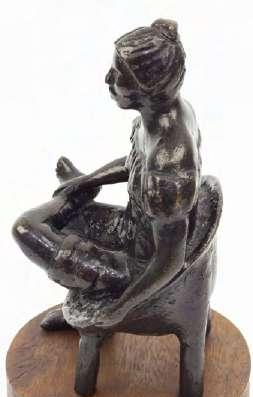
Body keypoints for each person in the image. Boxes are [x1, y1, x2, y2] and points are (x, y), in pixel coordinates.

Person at [13, 19, 201, 331]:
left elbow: (169, 263)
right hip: (130, 229)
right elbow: (135, 165)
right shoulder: (167, 115)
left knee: (26, 228)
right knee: (54, 217)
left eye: (118, 74)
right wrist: (87, 181)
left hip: (135, 269)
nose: (108, 79)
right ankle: (78, 199)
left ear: (147, 87)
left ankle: (88, 303)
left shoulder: (169, 167)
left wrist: (119, 308)